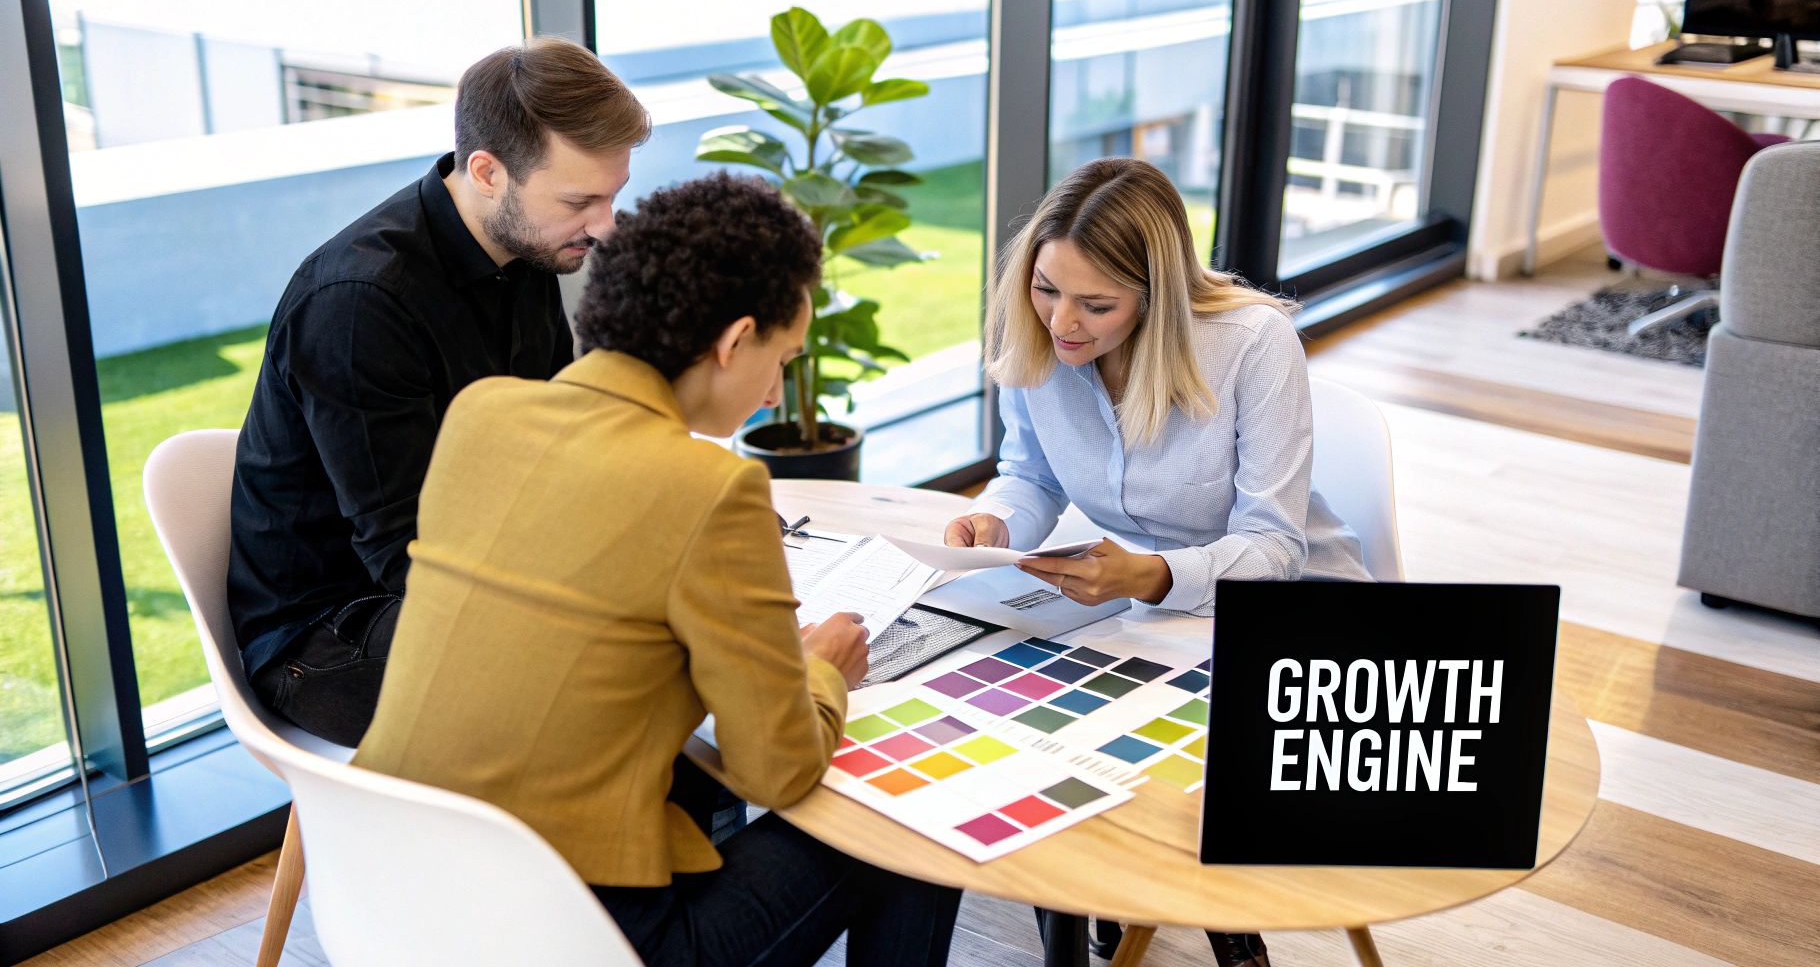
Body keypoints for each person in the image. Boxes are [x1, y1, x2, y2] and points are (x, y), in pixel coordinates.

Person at [354, 172, 961, 967]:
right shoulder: (712, 489)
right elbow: (775, 771)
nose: (778, 388)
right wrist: (821, 673)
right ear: (734, 340)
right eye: (782, 358)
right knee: (913, 820)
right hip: (576, 938)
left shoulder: (481, 414)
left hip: (384, 893)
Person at [946, 157, 1372, 967]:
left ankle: (1215, 916)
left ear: (1155, 293)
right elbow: (1029, 474)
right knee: (1025, 703)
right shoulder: (1037, 334)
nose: (1062, 321)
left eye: (1096, 304)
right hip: (1152, 607)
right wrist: (996, 522)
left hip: (1288, 607)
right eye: (1046, 288)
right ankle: (1096, 901)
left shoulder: (1252, 345)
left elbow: (1277, 546)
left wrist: (1155, 577)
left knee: (1141, 729)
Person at [226, 37, 646, 747]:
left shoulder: (527, 246)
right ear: (487, 171)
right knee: (632, 671)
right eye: (581, 200)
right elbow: (410, 556)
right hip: (334, 636)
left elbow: (551, 449)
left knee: (674, 616)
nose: (604, 226)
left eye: (613, 195)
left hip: (461, 576)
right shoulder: (358, 303)